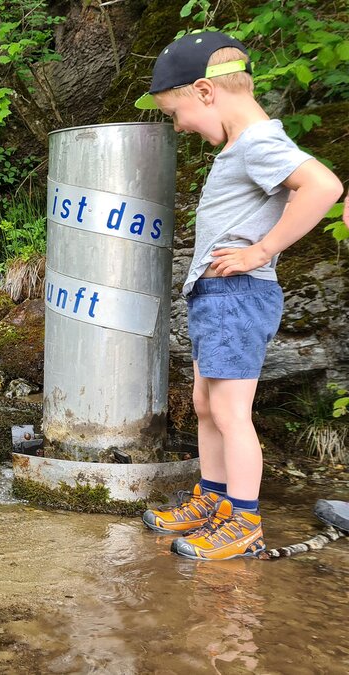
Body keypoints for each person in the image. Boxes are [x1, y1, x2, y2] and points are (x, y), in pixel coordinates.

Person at [134, 31, 344, 560]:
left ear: (205, 91)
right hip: (217, 294)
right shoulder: (241, 144)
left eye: (176, 112)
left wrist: (260, 250)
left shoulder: (256, 142)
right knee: (207, 405)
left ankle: (244, 521)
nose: (178, 125)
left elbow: (322, 186)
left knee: (230, 412)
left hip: (238, 293)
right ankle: (214, 500)